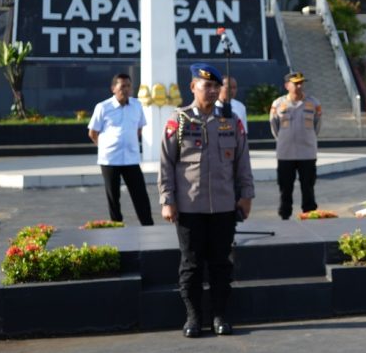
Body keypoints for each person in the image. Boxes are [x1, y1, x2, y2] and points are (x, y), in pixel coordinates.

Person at [159, 63, 254, 338]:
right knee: (191, 264)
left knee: (221, 264)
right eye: (206, 86)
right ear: (192, 87)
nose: (212, 91)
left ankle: (220, 315)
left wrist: (246, 195)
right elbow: (166, 164)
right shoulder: (178, 121)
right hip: (189, 207)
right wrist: (168, 199)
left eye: (216, 86)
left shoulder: (230, 121)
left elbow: (242, 161)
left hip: (224, 207)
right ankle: (193, 317)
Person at [87, 72, 154, 226]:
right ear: (113, 88)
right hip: (110, 159)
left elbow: (139, 129)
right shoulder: (103, 107)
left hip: (131, 159)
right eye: (122, 86)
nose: (126, 89)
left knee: (140, 195)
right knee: (113, 197)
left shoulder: (137, 105)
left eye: (129, 86)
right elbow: (92, 132)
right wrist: (104, 146)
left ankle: (148, 226)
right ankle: (117, 228)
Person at [270, 71, 322, 220]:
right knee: (285, 187)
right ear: (287, 85)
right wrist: (283, 139)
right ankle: (285, 214)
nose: (299, 86)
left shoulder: (314, 103)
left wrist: (309, 138)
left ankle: (309, 213)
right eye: (295, 83)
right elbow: (274, 127)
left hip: (307, 153)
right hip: (286, 153)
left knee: (308, 186)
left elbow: (317, 126)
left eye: (301, 83)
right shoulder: (278, 104)